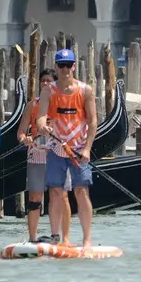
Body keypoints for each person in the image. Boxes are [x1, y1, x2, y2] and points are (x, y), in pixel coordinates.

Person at [35, 49, 97, 248]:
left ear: (74, 67)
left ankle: (87, 239)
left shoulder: (85, 90)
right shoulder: (48, 90)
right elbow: (41, 116)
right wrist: (42, 124)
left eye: (68, 65)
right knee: (55, 192)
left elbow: (93, 121)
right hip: (56, 147)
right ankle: (58, 238)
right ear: (56, 67)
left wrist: (87, 148)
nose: (64, 69)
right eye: (61, 65)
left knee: (81, 191)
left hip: (79, 149)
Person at [17, 68, 71, 243]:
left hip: (58, 155)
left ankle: (61, 238)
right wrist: (25, 139)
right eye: (43, 81)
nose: (46, 84)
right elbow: (20, 133)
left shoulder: (62, 104)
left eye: (49, 81)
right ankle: (32, 239)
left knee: (60, 196)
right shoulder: (32, 105)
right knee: (34, 198)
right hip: (36, 156)